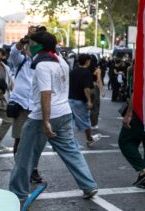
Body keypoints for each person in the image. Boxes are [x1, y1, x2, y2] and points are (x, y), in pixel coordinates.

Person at [8, 30, 99, 200]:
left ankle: (17, 192)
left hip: (43, 115)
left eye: (31, 44)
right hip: (64, 112)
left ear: (38, 46)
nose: (27, 47)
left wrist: (46, 121)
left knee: (24, 154)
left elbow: (46, 94)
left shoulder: (42, 66)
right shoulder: (61, 61)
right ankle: (89, 185)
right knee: (71, 151)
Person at [9, 26, 45, 184]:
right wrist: (25, 38)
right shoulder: (21, 60)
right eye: (29, 45)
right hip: (22, 105)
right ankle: (20, 169)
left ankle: (33, 169)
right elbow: (14, 52)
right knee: (19, 138)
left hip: (38, 107)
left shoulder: (44, 62)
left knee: (36, 141)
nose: (31, 48)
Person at [68, 54, 96, 147]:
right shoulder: (87, 73)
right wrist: (89, 100)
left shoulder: (72, 71)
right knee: (85, 121)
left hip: (70, 99)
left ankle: (68, 140)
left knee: (70, 122)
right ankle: (89, 139)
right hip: (80, 101)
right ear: (87, 61)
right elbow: (86, 88)